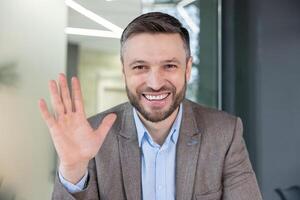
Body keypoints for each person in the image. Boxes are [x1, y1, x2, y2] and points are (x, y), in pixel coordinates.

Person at [38, 12, 262, 200]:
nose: (155, 84)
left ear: (187, 68)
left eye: (169, 66)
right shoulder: (92, 137)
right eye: (140, 67)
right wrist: (73, 170)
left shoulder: (224, 133)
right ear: (123, 70)